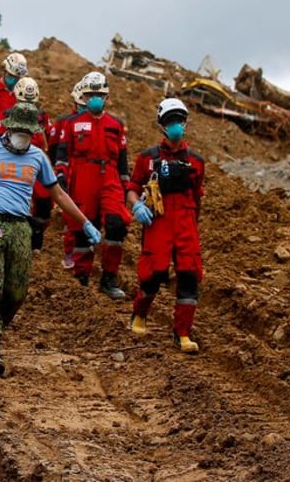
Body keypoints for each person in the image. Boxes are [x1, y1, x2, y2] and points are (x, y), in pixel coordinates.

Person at [0, 103, 101, 376]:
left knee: (16, 291)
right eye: (20, 130)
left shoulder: (37, 157)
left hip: (19, 228)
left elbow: (58, 194)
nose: (24, 136)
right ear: (8, 127)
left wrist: (84, 222)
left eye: (30, 132)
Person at [126, 98, 206, 353]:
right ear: (162, 125)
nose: (175, 126)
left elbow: (198, 196)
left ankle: (182, 332)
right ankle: (139, 314)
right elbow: (132, 188)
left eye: (179, 121)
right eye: (170, 121)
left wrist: (193, 224)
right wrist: (137, 206)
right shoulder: (147, 158)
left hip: (186, 221)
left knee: (189, 276)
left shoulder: (196, 161)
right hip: (159, 220)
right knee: (154, 273)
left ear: (186, 123)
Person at [54, 71, 130, 300]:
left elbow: (124, 160)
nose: (95, 98)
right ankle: (81, 276)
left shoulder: (116, 125)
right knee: (82, 229)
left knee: (117, 225)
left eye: (99, 94)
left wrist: (125, 187)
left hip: (110, 177)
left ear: (106, 96)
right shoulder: (73, 124)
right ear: (84, 97)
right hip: (83, 177)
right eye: (90, 94)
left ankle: (109, 278)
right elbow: (62, 154)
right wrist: (61, 176)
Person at [13, 76, 55, 252]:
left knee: (45, 202)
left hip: (37, 163)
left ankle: (37, 240)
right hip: (16, 164)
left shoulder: (42, 116)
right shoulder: (10, 115)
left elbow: (49, 137)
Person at [48, 80, 86, 269]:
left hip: (86, 172)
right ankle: (70, 252)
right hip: (68, 171)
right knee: (71, 213)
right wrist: (59, 171)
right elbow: (53, 148)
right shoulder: (64, 123)